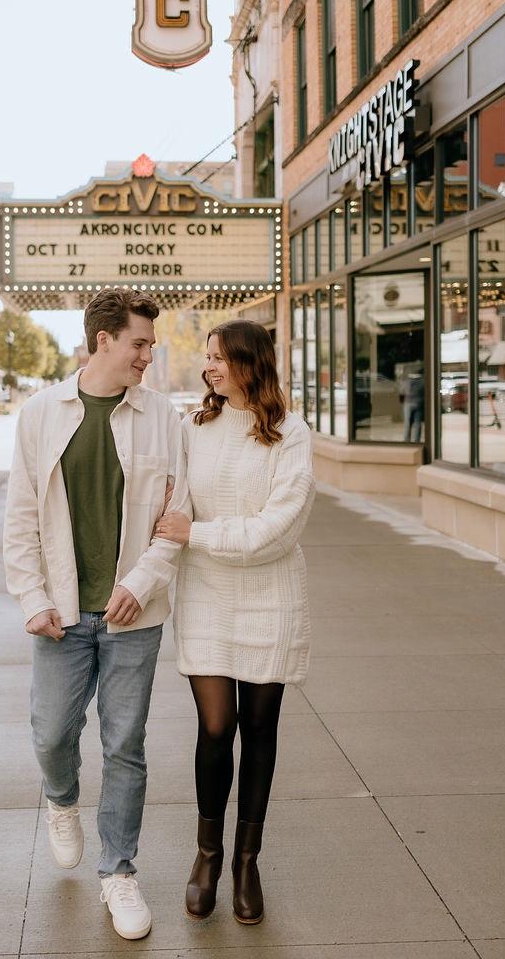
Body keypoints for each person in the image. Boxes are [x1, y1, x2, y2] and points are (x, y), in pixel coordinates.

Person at [3, 287, 185, 942]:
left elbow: (177, 516)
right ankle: (60, 800)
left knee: (124, 745)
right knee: (52, 734)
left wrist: (142, 580)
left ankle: (119, 872)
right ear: (103, 339)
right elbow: (21, 517)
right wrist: (32, 598)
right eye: (139, 343)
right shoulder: (39, 414)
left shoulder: (164, 418)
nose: (147, 356)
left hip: (134, 614)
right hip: (61, 612)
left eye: (151, 346)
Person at [155, 319, 315, 925]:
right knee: (216, 728)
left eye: (219, 357)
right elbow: (174, 507)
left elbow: (279, 530)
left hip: (270, 599)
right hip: (208, 597)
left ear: (250, 362)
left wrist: (196, 534)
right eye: (207, 357)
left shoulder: (290, 433)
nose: (209, 367)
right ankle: (208, 856)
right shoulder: (194, 427)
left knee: (260, 730)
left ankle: (248, 862)